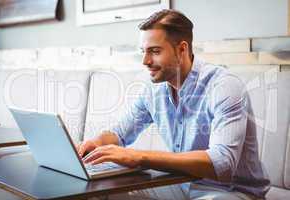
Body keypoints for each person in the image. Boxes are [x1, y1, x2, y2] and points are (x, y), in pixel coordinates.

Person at [77, 9, 270, 200]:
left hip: (231, 191)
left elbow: (222, 163)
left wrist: (138, 157)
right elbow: (120, 132)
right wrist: (95, 143)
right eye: (143, 52)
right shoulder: (154, 90)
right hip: (180, 184)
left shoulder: (224, 86)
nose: (145, 61)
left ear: (182, 50)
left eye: (154, 51)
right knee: (105, 195)